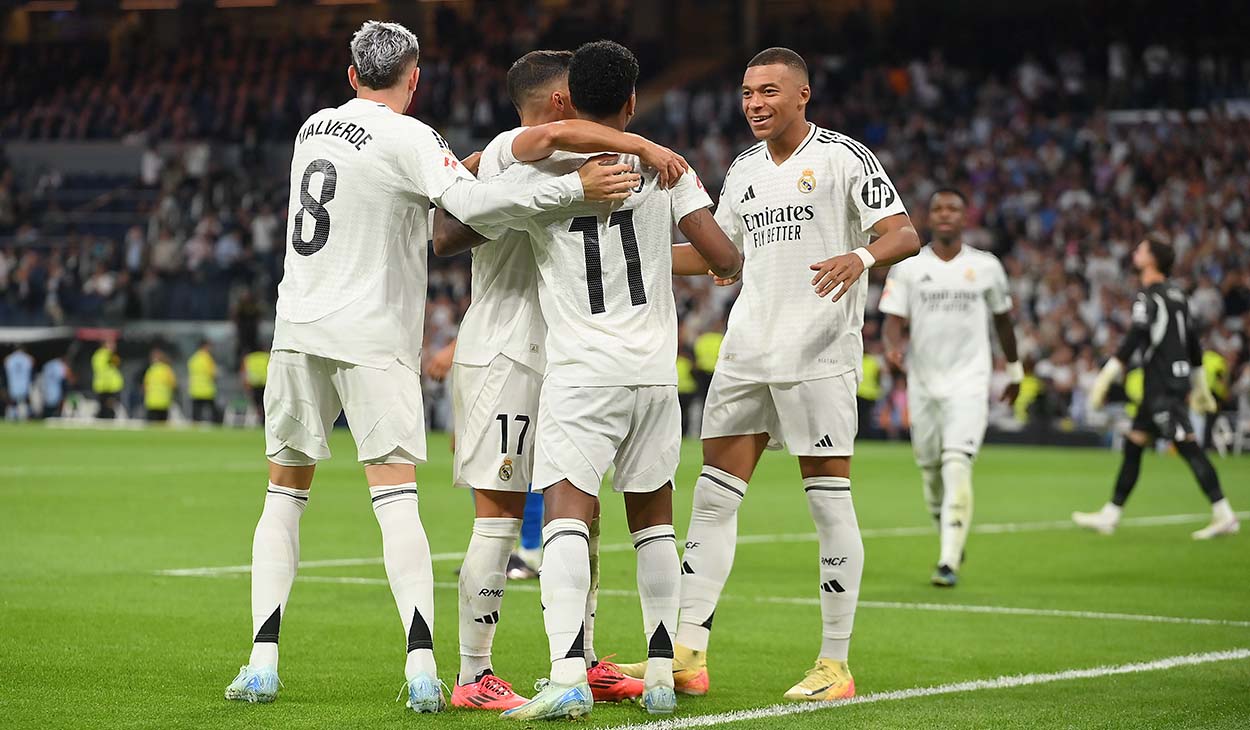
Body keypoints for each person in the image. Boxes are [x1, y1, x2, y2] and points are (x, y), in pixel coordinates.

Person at [222, 21, 640, 714]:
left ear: (351, 75)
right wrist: (570, 192)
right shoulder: (411, 137)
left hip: (296, 327)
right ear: (413, 80)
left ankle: (261, 660)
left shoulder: (311, 130)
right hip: (372, 336)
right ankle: (422, 669)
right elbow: (467, 209)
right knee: (395, 501)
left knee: (284, 495)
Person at [619, 47, 920, 702]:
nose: (755, 103)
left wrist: (860, 256)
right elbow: (720, 259)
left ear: (802, 95)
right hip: (747, 350)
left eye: (769, 92)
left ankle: (835, 664)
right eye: (748, 92)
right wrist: (633, 252)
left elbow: (904, 233)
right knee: (712, 498)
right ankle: (689, 651)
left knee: (827, 504)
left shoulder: (843, 158)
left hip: (816, 353)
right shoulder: (745, 169)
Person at [467, 40, 740, 720]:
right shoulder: (669, 171)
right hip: (653, 372)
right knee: (652, 523)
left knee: (566, 514)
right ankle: (656, 673)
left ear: (567, 99)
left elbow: (474, 206)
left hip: (583, 371)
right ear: (632, 102)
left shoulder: (541, 170)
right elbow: (723, 259)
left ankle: (566, 675)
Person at [430, 49, 688, 711]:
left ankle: (582, 657)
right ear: (558, 105)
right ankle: (472, 674)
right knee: (500, 517)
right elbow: (446, 231)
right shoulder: (512, 153)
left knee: (583, 516)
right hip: (510, 354)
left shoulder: (581, 166)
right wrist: (633, 146)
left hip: (572, 360)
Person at [880, 189, 1022, 587]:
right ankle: (950, 534)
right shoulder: (908, 267)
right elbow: (892, 321)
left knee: (957, 464)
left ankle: (947, 560)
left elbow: (1004, 322)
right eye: (938, 208)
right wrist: (892, 351)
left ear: (965, 217)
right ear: (928, 217)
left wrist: (1014, 369)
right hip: (923, 384)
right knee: (931, 473)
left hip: (969, 383)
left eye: (953, 209)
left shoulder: (986, 266)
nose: (945, 215)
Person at [1075, 233, 1239, 540]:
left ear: (1152, 259)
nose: (1135, 251)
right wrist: (1200, 387)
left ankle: (1224, 513)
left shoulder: (1149, 297)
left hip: (1163, 386)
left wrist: (1105, 378)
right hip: (1161, 386)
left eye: (1141, 249)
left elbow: (1135, 338)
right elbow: (1193, 345)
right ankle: (1110, 514)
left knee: (1188, 446)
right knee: (1134, 445)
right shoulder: (1178, 296)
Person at [91, 336, 123, 419]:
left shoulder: (109, 355)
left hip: (108, 386)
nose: (113, 346)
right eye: (111, 344)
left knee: (107, 409)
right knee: (107, 409)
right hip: (107, 387)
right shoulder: (104, 355)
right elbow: (103, 371)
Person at [188, 340, 218, 423]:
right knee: (213, 411)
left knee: (196, 413)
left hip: (195, 389)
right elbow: (214, 373)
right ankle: (216, 424)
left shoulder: (193, 358)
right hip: (207, 389)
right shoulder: (208, 358)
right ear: (205, 346)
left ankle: (195, 427)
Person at [142, 348, 177, 422]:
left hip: (151, 402)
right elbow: (173, 385)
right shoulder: (167, 370)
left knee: (151, 427)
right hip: (164, 402)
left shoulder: (151, 370)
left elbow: (145, 385)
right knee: (162, 428)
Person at [4, 344, 34, 421]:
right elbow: (32, 365)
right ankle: (26, 417)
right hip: (24, 384)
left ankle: (12, 417)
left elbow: (6, 367)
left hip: (13, 384)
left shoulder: (9, 358)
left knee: (13, 402)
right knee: (25, 401)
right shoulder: (28, 358)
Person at [241, 345, 270, 421]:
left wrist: (246, 383)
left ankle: (260, 418)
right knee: (266, 403)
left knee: (257, 404)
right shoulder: (267, 356)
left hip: (254, 384)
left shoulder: (249, 358)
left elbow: (244, 372)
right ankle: (264, 419)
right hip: (265, 383)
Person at [39, 353, 71, 419]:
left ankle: (45, 417)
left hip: (46, 389)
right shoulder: (58, 365)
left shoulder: (47, 364)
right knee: (54, 409)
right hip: (55, 390)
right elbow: (65, 376)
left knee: (48, 407)